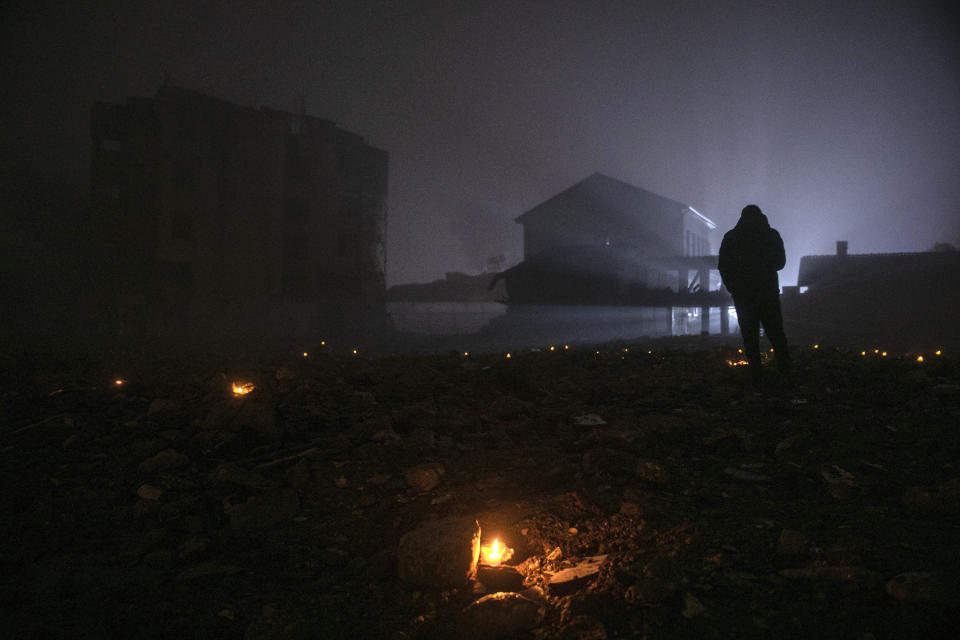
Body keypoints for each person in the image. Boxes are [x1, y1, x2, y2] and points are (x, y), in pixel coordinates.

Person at [718, 204, 791, 384]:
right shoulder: (771, 235)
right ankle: (785, 371)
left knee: (750, 337)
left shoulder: (731, 237)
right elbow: (780, 263)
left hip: (744, 296)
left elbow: (723, 266)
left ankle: (757, 375)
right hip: (768, 294)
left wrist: (733, 287)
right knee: (776, 334)